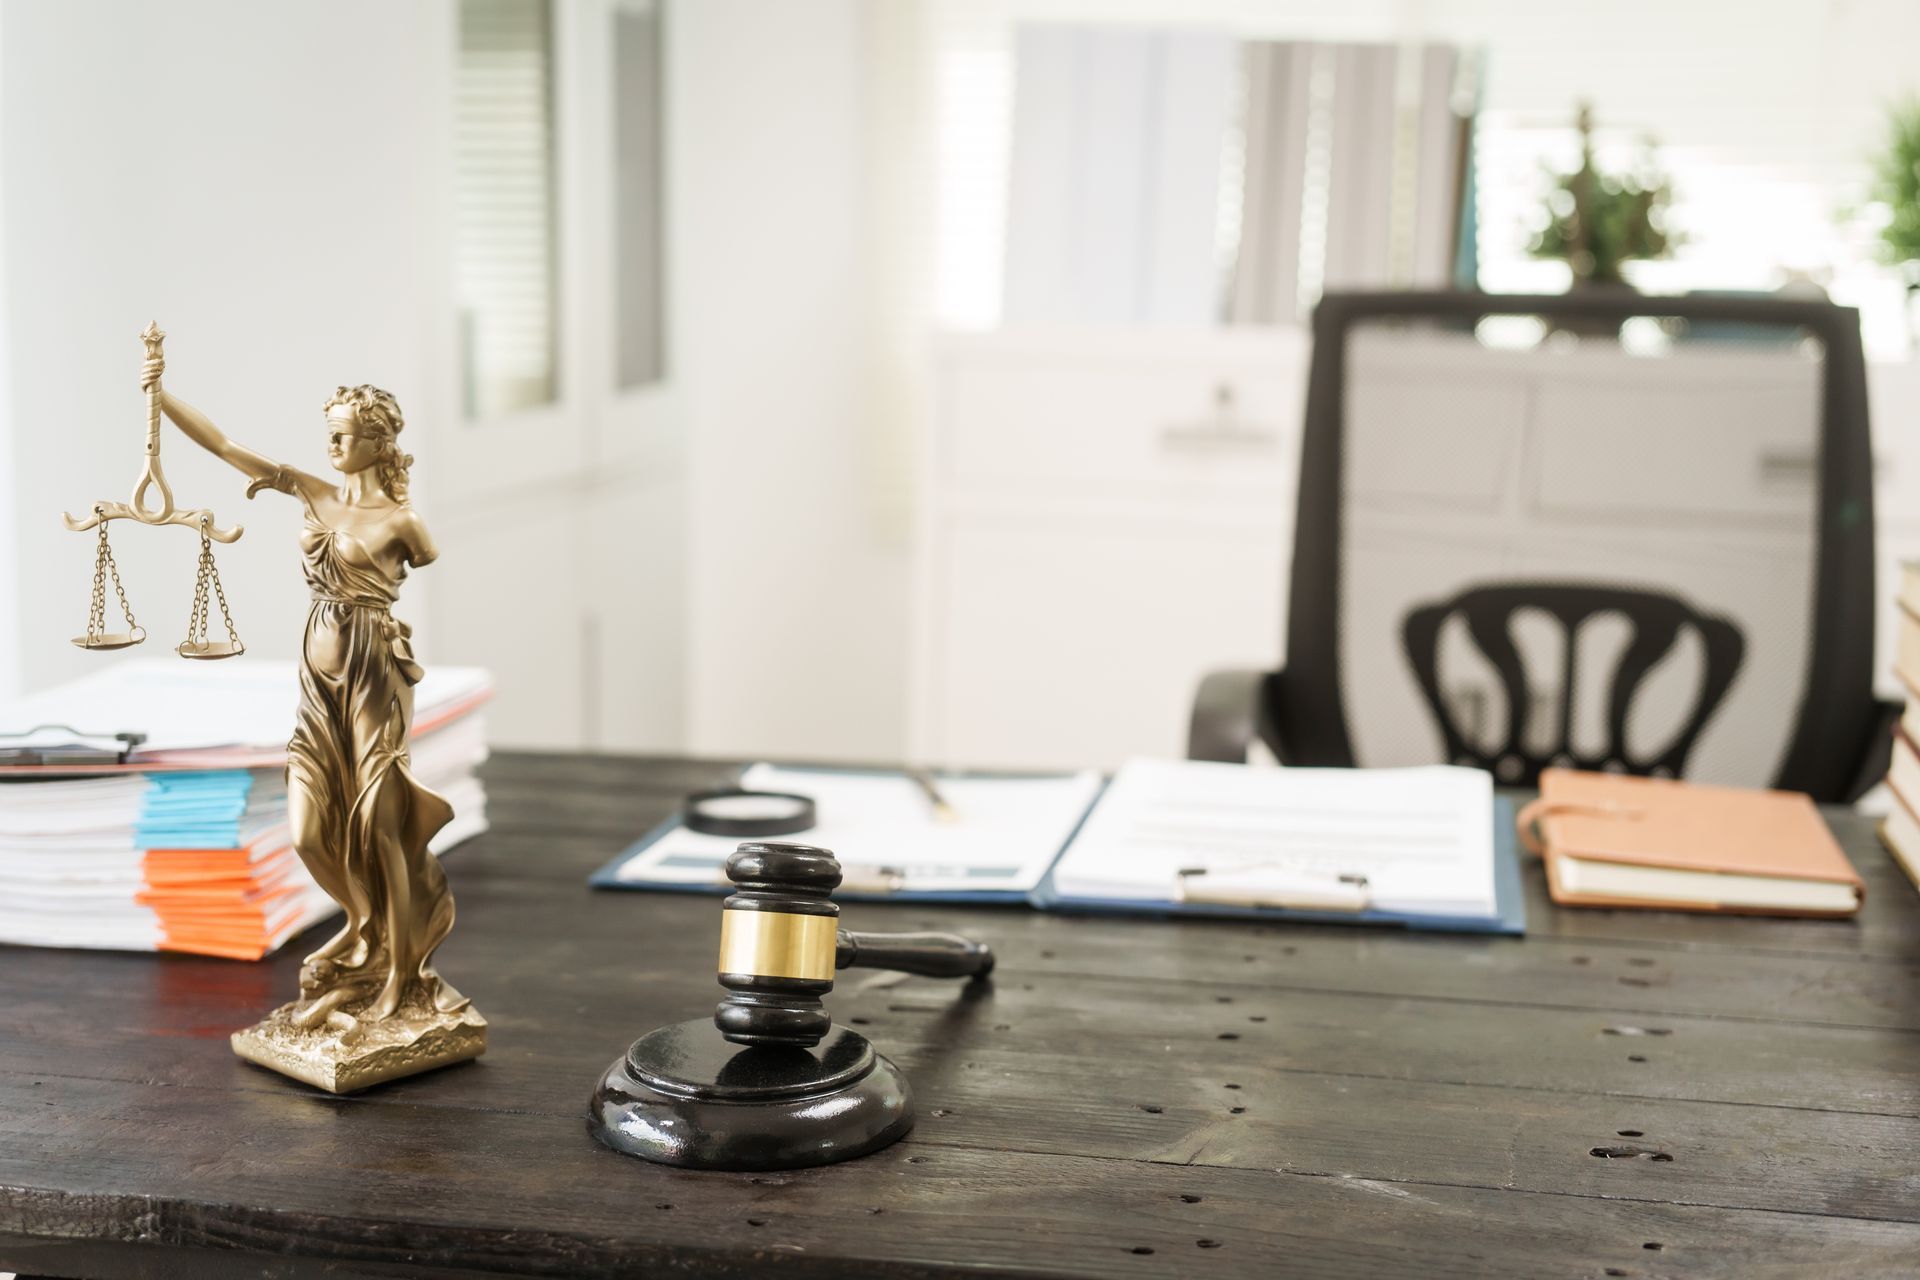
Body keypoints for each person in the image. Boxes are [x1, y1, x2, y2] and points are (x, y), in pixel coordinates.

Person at [152, 354, 463, 1026]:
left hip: (374, 670)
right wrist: (159, 394)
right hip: (317, 677)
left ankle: (400, 976)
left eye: (345, 434)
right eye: (330, 431)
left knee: (383, 821)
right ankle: (361, 924)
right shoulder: (314, 492)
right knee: (308, 829)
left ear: (380, 445)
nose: (332, 444)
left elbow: (423, 558)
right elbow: (225, 445)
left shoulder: (402, 524)